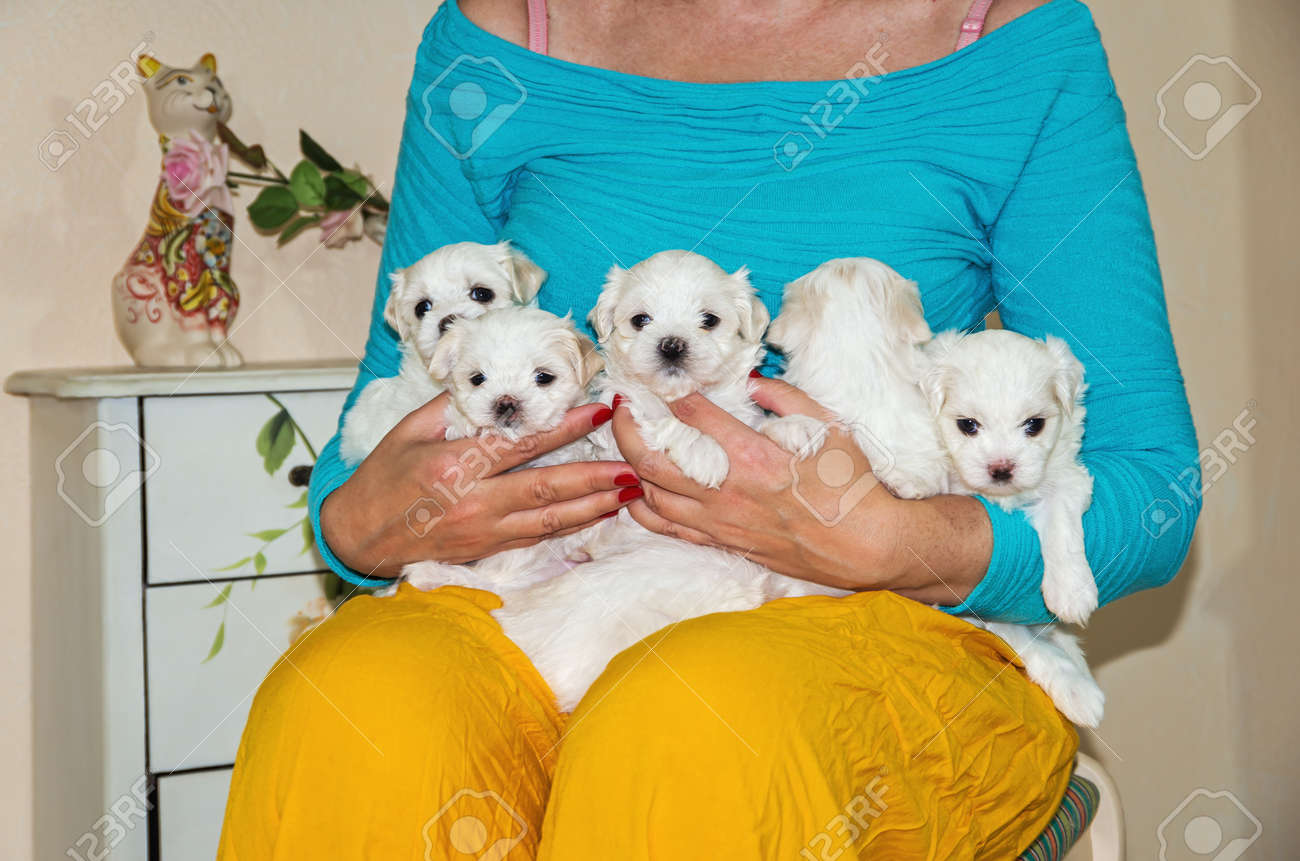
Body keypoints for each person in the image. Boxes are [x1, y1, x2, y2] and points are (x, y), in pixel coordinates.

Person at [218, 0, 1199, 857]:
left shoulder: (1017, 43)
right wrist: (354, 528)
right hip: (541, 591)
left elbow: (1149, 487)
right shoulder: (499, 36)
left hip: (878, 617)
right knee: (348, 709)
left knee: (686, 725)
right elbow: (377, 431)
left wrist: (895, 539)